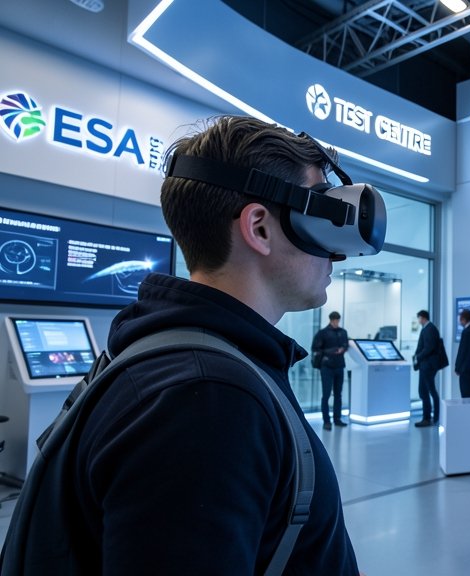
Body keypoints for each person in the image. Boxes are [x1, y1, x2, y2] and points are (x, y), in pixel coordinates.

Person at [71, 116, 361, 574]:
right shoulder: (208, 398)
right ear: (259, 228)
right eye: (318, 214)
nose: (337, 251)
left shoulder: (192, 365)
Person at [312, 310, 349, 429]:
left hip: (339, 366)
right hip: (326, 367)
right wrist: (331, 351)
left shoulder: (343, 332)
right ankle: (326, 421)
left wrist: (343, 349)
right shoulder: (323, 333)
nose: (336, 322)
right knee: (326, 394)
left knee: (338, 394)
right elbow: (315, 348)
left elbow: (346, 345)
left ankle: (337, 419)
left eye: (338, 320)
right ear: (331, 320)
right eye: (334, 320)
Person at [413, 309, 442, 427]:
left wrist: (418, 356)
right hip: (426, 365)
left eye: (419, 318)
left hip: (428, 366)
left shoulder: (429, 329)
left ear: (423, 317)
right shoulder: (428, 328)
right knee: (426, 391)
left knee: (427, 391)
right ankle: (431, 417)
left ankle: (429, 418)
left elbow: (429, 347)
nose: (418, 320)